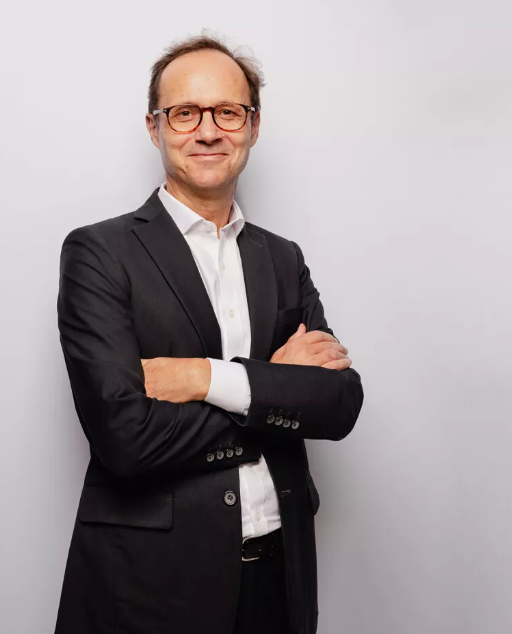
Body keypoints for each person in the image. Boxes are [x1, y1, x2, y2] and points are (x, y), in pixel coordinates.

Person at [53, 33, 364, 634]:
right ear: (155, 127)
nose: (207, 131)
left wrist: (203, 378)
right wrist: (275, 389)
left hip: (281, 575)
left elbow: (340, 403)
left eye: (227, 112)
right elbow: (124, 439)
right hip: (151, 583)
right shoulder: (99, 253)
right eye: (185, 113)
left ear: (252, 125)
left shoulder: (282, 258)